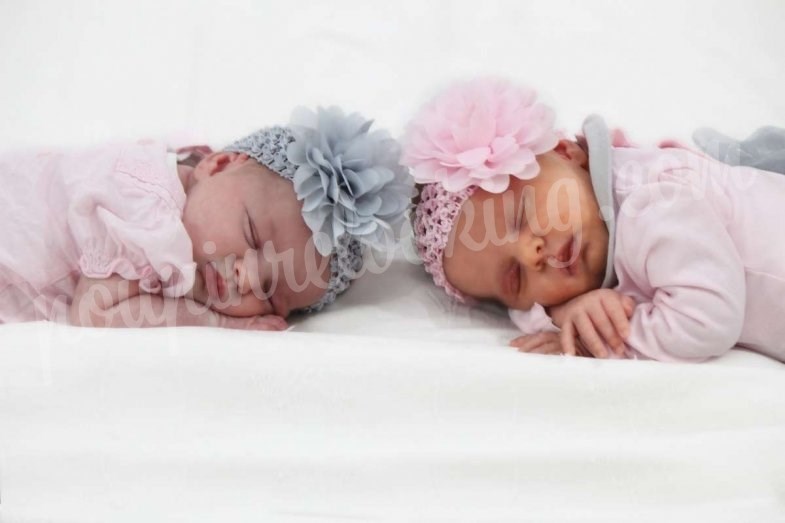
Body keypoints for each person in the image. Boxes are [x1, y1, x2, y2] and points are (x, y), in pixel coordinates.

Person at [402, 77, 785, 363]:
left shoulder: (652, 203)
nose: (531, 252)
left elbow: (706, 321)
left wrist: (597, 340)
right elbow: (524, 311)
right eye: (515, 278)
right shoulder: (596, 236)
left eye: (522, 216)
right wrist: (562, 313)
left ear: (569, 153)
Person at [0, 106, 413, 329]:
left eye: (269, 294)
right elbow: (93, 311)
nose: (248, 278)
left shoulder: (192, 186)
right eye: (252, 235)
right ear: (217, 164)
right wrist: (218, 322)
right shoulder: (151, 211)